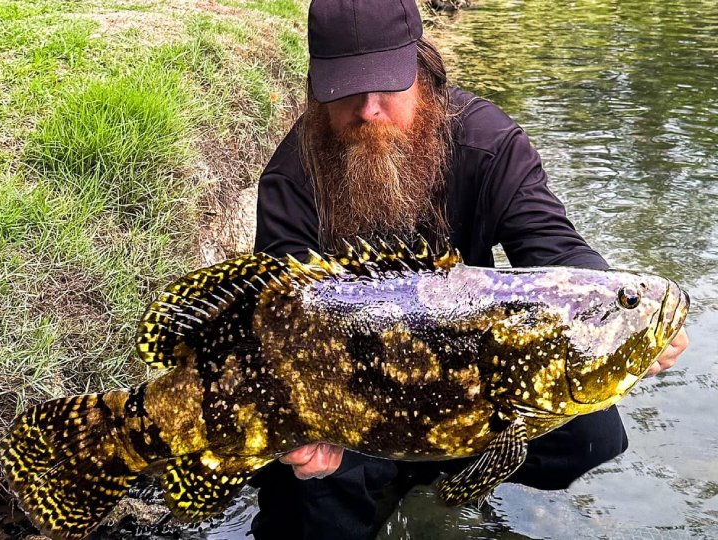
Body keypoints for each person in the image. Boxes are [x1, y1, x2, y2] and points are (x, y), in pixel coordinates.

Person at [248, 0, 690, 538]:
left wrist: (622, 316)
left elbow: (554, 248)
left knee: (592, 433)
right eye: (345, 90)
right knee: (311, 508)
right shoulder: (291, 178)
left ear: (423, 70)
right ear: (317, 90)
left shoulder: (490, 142)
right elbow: (276, 320)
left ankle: (449, 475)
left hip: (468, 379)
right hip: (351, 395)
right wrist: (300, 432)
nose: (368, 110)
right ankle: (381, 476)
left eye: (387, 85)